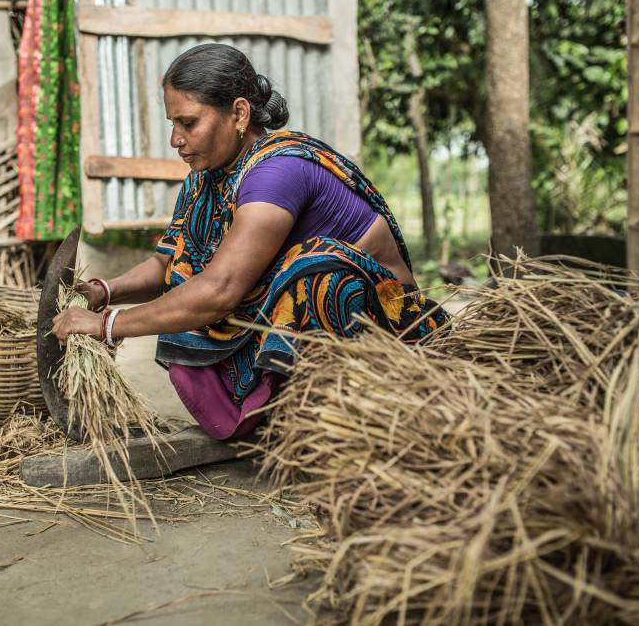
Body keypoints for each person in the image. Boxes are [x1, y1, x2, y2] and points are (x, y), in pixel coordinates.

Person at [52, 43, 448, 440]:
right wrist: (104, 292)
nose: (175, 138)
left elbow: (221, 290)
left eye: (189, 123)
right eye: (172, 123)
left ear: (239, 114)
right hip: (299, 324)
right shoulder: (206, 179)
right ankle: (271, 421)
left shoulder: (278, 171)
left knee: (315, 277)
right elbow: (168, 264)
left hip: (384, 330)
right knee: (188, 299)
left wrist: (109, 325)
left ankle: (337, 423)